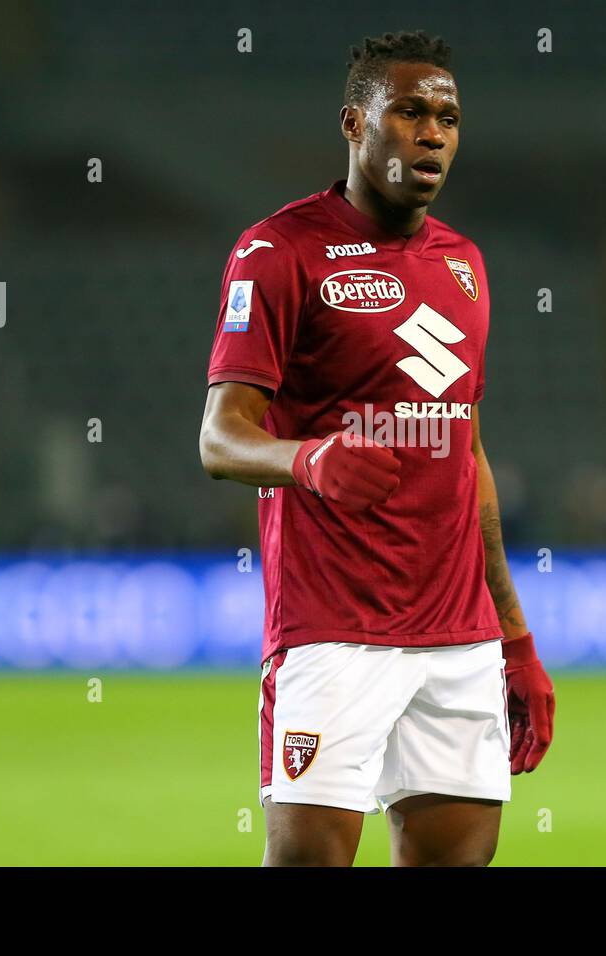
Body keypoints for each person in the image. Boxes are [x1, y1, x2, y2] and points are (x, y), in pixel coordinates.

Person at [199, 30, 555, 866]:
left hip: (459, 638)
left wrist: (515, 637)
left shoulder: (465, 265)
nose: (432, 132)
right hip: (334, 631)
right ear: (355, 125)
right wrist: (309, 459)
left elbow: (467, 458)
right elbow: (220, 437)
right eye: (409, 112)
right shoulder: (278, 251)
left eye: (448, 117)